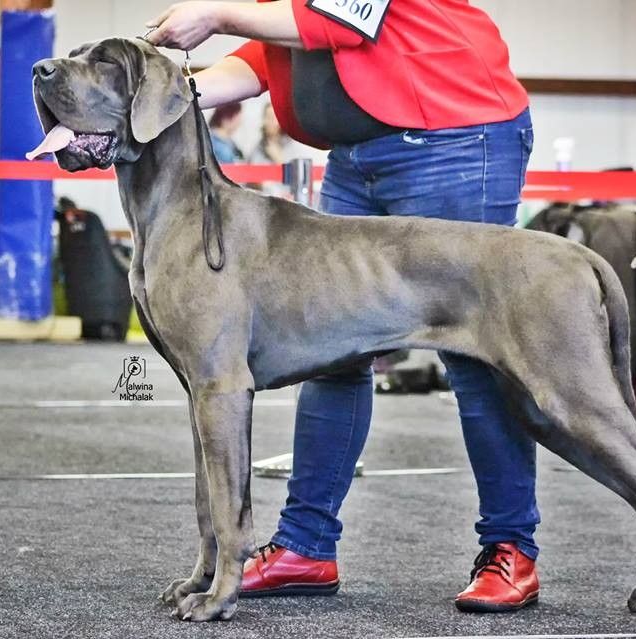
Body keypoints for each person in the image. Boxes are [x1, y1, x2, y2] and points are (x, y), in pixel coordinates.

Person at [146, 0, 539, 612]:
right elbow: (273, 55)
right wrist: (166, 91)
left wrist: (215, 15)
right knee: (329, 353)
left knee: (477, 354)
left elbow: (337, 20)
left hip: (455, 140)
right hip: (358, 156)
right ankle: (306, 547)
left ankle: (510, 547)